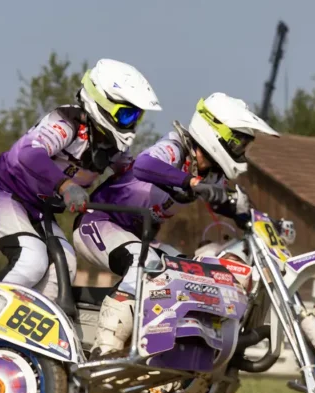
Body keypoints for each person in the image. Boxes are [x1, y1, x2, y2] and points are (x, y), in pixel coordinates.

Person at [73, 93, 280, 356]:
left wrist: (258, 220)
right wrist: (191, 183)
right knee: (142, 263)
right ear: (214, 132)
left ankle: (159, 354)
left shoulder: (211, 174)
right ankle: (103, 353)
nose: (239, 150)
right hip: (98, 222)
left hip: (137, 237)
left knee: (187, 273)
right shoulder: (175, 148)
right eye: (236, 142)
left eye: (243, 145)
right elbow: (144, 166)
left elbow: (231, 206)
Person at [0, 58, 162, 325]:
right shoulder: (67, 122)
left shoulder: (114, 147)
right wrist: (66, 185)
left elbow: (132, 175)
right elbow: (25, 154)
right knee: (32, 259)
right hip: (3, 195)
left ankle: (23, 341)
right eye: (127, 114)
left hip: (40, 213)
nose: (132, 124)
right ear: (103, 104)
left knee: (65, 268)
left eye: (136, 116)